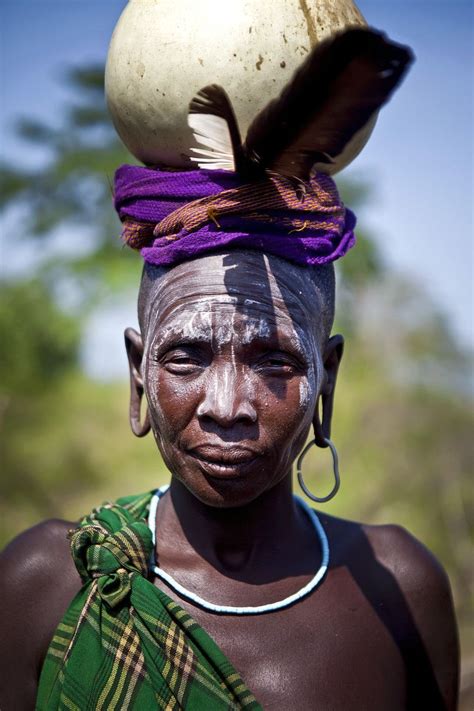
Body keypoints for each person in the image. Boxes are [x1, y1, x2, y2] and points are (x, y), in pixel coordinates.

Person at [0, 24, 459, 711]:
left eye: (274, 358)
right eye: (186, 354)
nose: (226, 404)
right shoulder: (51, 583)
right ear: (137, 372)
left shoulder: (399, 587)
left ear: (326, 379)